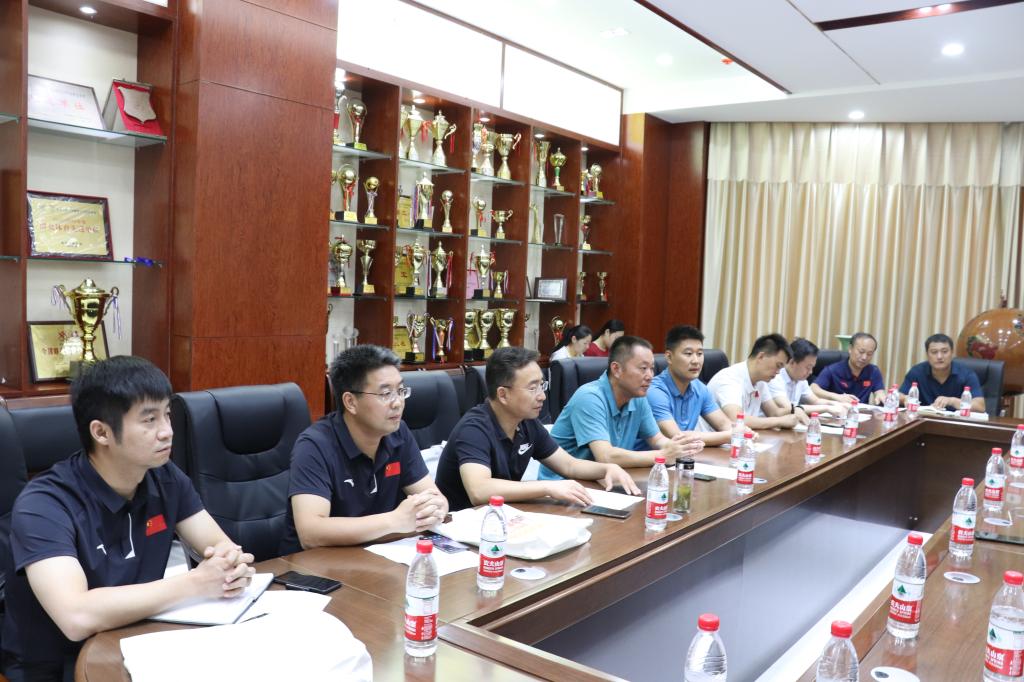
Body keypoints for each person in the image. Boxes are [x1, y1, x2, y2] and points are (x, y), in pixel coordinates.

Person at [1, 356, 255, 681]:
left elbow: (219, 545)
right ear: (102, 432)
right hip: (56, 668)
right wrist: (195, 583)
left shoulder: (165, 477)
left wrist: (231, 565)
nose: (167, 432)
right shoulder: (44, 504)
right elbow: (76, 616)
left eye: (167, 414)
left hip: (138, 642)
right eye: (149, 420)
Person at [280, 345, 447, 554]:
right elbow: (311, 533)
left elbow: (435, 498)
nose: (398, 403)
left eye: (401, 391)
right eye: (386, 393)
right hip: (317, 565)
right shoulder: (314, 445)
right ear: (351, 402)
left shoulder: (398, 433)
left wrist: (436, 508)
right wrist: (395, 520)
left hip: (379, 555)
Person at [435, 347, 640, 511]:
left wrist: (607, 468)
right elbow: (479, 490)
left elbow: (568, 465)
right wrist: (548, 487)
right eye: (532, 388)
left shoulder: (527, 422)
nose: (542, 396)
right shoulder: (474, 429)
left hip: (503, 516)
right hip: (460, 528)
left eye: (542, 385)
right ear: (503, 394)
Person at [539, 336, 703, 480]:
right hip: (562, 485)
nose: (650, 376)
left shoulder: (638, 397)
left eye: (652, 368)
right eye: (643, 368)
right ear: (616, 369)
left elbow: (657, 440)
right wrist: (662, 455)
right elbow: (606, 456)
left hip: (605, 481)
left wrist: (679, 448)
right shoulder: (590, 397)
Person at [646, 325, 734, 447]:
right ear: (669, 357)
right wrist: (731, 435)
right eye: (688, 354)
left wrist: (736, 433)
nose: (696, 361)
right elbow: (678, 438)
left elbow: (725, 425)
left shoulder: (700, 388)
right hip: (651, 458)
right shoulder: (654, 391)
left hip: (686, 456)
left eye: (700, 353)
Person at [706, 334, 802, 429]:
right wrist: (779, 421)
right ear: (761, 356)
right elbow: (736, 419)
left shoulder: (760, 381)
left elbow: (773, 413)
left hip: (742, 436)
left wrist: (794, 410)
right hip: (713, 437)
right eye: (778, 365)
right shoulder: (729, 378)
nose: (778, 372)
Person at [898, 333, 984, 412]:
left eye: (944, 351)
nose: (939, 357)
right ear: (927, 354)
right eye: (934, 352)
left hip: (955, 421)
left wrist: (952, 401)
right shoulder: (917, 372)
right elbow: (899, 396)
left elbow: (980, 406)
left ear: (952, 353)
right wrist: (905, 398)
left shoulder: (967, 374)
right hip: (923, 420)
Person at [769, 338, 847, 417]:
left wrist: (835, 404)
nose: (810, 372)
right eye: (808, 367)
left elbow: (815, 401)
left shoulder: (801, 380)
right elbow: (790, 409)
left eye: (812, 368)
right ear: (792, 362)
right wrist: (827, 408)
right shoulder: (775, 377)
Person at [811, 332, 886, 405]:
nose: (864, 357)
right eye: (861, 352)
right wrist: (837, 397)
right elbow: (813, 388)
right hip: (838, 410)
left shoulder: (873, 371)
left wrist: (880, 396)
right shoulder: (832, 370)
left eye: (869, 354)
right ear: (850, 349)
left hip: (862, 412)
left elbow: (879, 391)